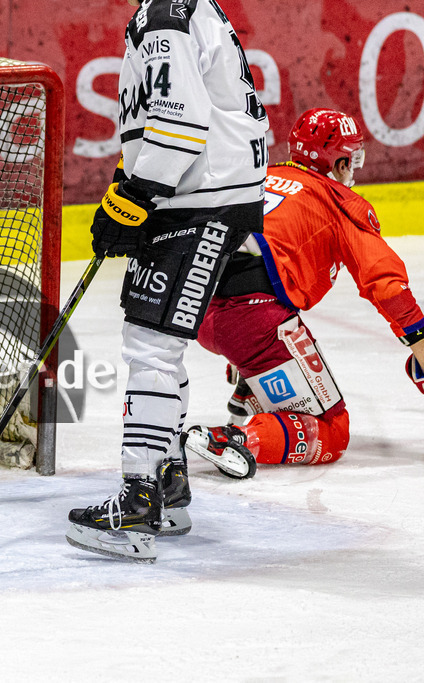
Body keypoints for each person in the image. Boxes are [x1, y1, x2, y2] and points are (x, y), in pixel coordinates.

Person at [66, 0, 268, 562]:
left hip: (198, 200)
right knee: (161, 345)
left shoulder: (165, 16)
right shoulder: (183, 11)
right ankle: (169, 485)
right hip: (207, 196)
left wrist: (135, 196)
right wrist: (131, 184)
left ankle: (139, 498)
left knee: (151, 347)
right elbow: (166, 117)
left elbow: (179, 125)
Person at [185, 108, 424, 473]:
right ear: (341, 161)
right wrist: (420, 341)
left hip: (197, 306)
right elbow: (385, 282)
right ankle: (234, 438)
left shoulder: (261, 174)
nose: (353, 170)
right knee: (332, 432)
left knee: (266, 310)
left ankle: (250, 385)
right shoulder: (340, 202)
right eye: (352, 158)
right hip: (252, 323)